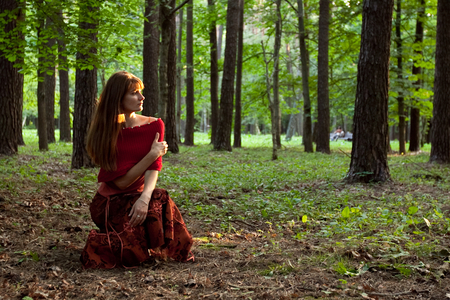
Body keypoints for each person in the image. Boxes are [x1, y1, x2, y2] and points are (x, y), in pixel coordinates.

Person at [80, 71, 193, 269]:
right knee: (133, 255)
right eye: (134, 93)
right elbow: (121, 182)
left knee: (160, 197)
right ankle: (107, 241)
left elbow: (153, 168)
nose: (141, 97)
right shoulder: (105, 131)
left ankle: (178, 252)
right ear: (118, 97)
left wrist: (144, 199)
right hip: (110, 204)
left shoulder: (154, 125)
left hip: (138, 198)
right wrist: (152, 154)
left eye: (140, 92)